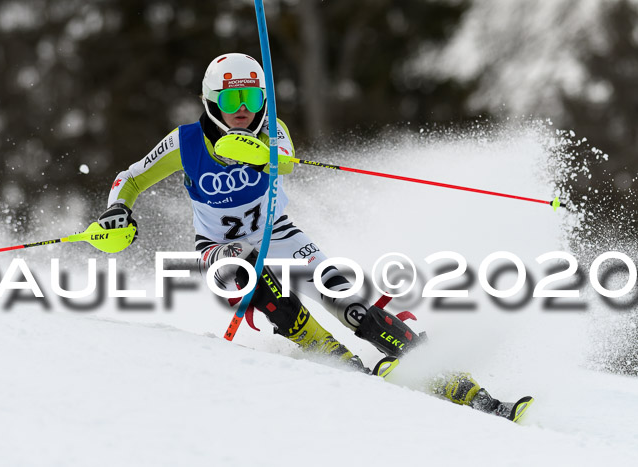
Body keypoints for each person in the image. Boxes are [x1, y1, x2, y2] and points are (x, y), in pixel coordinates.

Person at [97, 53, 530, 420]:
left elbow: (284, 160)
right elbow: (129, 178)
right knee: (246, 269)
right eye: (231, 100)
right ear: (211, 103)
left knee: (350, 303)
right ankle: (328, 352)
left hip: (279, 233)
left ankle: (453, 380)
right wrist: (118, 210)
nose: (243, 109)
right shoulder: (186, 142)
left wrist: (258, 152)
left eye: (252, 98)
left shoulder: (272, 130)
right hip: (218, 249)